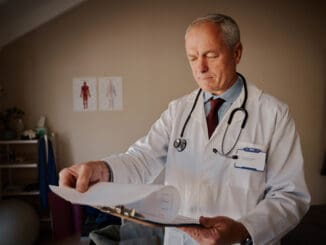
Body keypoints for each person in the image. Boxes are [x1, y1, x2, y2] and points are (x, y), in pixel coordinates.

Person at [59, 14, 310, 244]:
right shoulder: (178, 110)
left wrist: (243, 229)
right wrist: (100, 170)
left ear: (237, 52)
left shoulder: (273, 114)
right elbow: (142, 159)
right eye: (192, 57)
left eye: (210, 55)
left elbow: (290, 196)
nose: (200, 68)